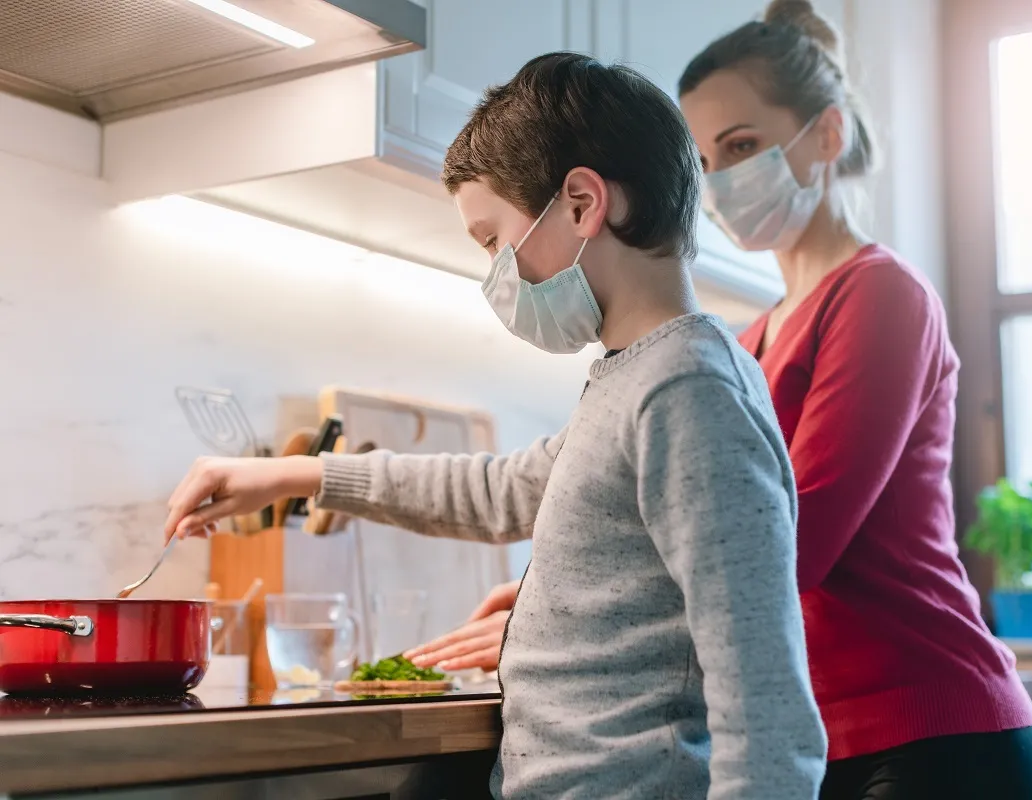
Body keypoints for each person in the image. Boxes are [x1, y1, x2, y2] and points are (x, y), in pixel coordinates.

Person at [407, 3, 1032, 798]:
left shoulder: (881, 295)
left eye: (743, 146)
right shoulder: (748, 340)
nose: (724, 181)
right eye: (708, 160)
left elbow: (784, 542)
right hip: (835, 725)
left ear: (826, 134)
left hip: (931, 726)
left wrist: (590, 620)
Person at [164, 52, 827, 799]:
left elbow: (766, 709)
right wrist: (297, 474)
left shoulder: (687, 393)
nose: (494, 274)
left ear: (581, 204)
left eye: (491, 240)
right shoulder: (637, 377)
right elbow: (500, 490)